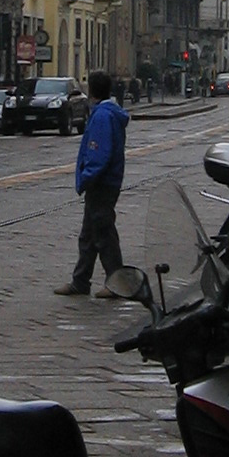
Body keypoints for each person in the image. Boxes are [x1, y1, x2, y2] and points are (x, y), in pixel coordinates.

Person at [56, 70, 129, 298]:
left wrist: (86, 177)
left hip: (102, 183)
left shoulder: (102, 117)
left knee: (104, 233)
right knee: (88, 234)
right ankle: (80, 281)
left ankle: (117, 283)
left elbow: (99, 153)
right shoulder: (105, 113)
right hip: (104, 181)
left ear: (92, 91)